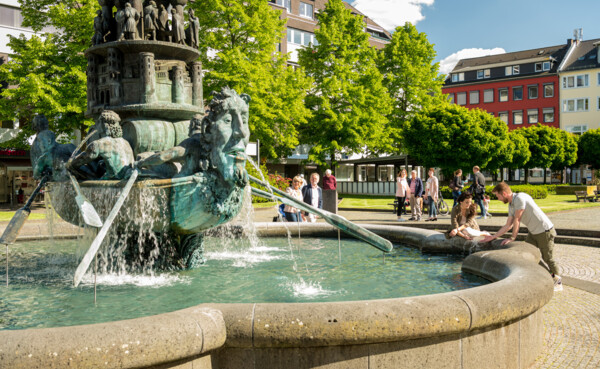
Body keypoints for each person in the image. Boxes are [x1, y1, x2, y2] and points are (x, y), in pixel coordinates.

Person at [481, 182, 562, 291]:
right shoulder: (511, 204)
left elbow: (517, 220)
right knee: (528, 256)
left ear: (504, 193)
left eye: (498, 196)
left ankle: (558, 282)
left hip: (544, 231)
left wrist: (512, 238)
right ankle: (548, 276)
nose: (498, 198)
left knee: (548, 258)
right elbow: (508, 225)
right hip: (533, 232)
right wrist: (493, 237)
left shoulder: (519, 198)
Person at [67, 110, 135, 180]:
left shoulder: (100, 143)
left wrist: (69, 164)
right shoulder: (126, 142)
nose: (96, 125)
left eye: (98, 122)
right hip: (125, 180)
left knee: (75, 169)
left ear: (104, 125)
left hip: (110, 180)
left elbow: (83, 158)